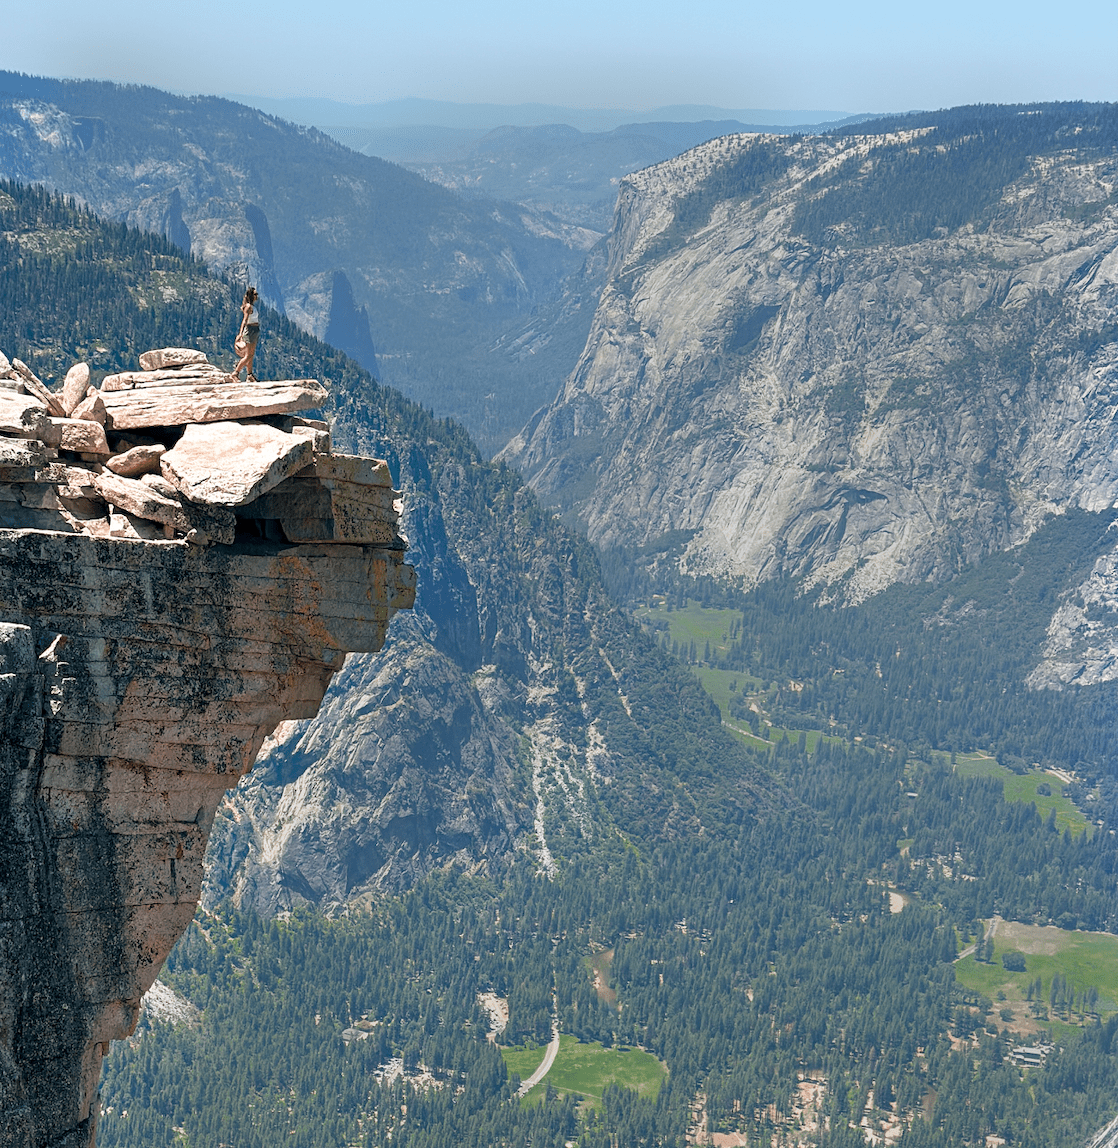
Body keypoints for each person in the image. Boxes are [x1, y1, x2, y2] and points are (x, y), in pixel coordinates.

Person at [230, 286, 260, 381]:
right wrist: (241, 334)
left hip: (255, 330)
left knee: (251, 354)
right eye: (255, 294)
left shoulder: (252, 306)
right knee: (248, 355)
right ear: (251, 296)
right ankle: (236, 373)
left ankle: (249, 375)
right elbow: (245, 320)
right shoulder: (248, 306)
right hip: (250, 330)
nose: (257, 296)